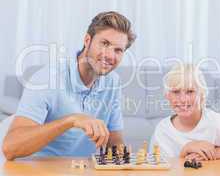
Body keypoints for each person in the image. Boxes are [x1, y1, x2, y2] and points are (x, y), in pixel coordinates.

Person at [2, 11, 136, 160]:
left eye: (118, 50)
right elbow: (10, 147)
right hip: (37, 170)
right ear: (87, 40)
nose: (110, 55)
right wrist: (71, 120)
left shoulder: (113, 81)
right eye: (104, 43)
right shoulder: (47, 78)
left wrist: (125, 159)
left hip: (80, 169)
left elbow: (114, 138)